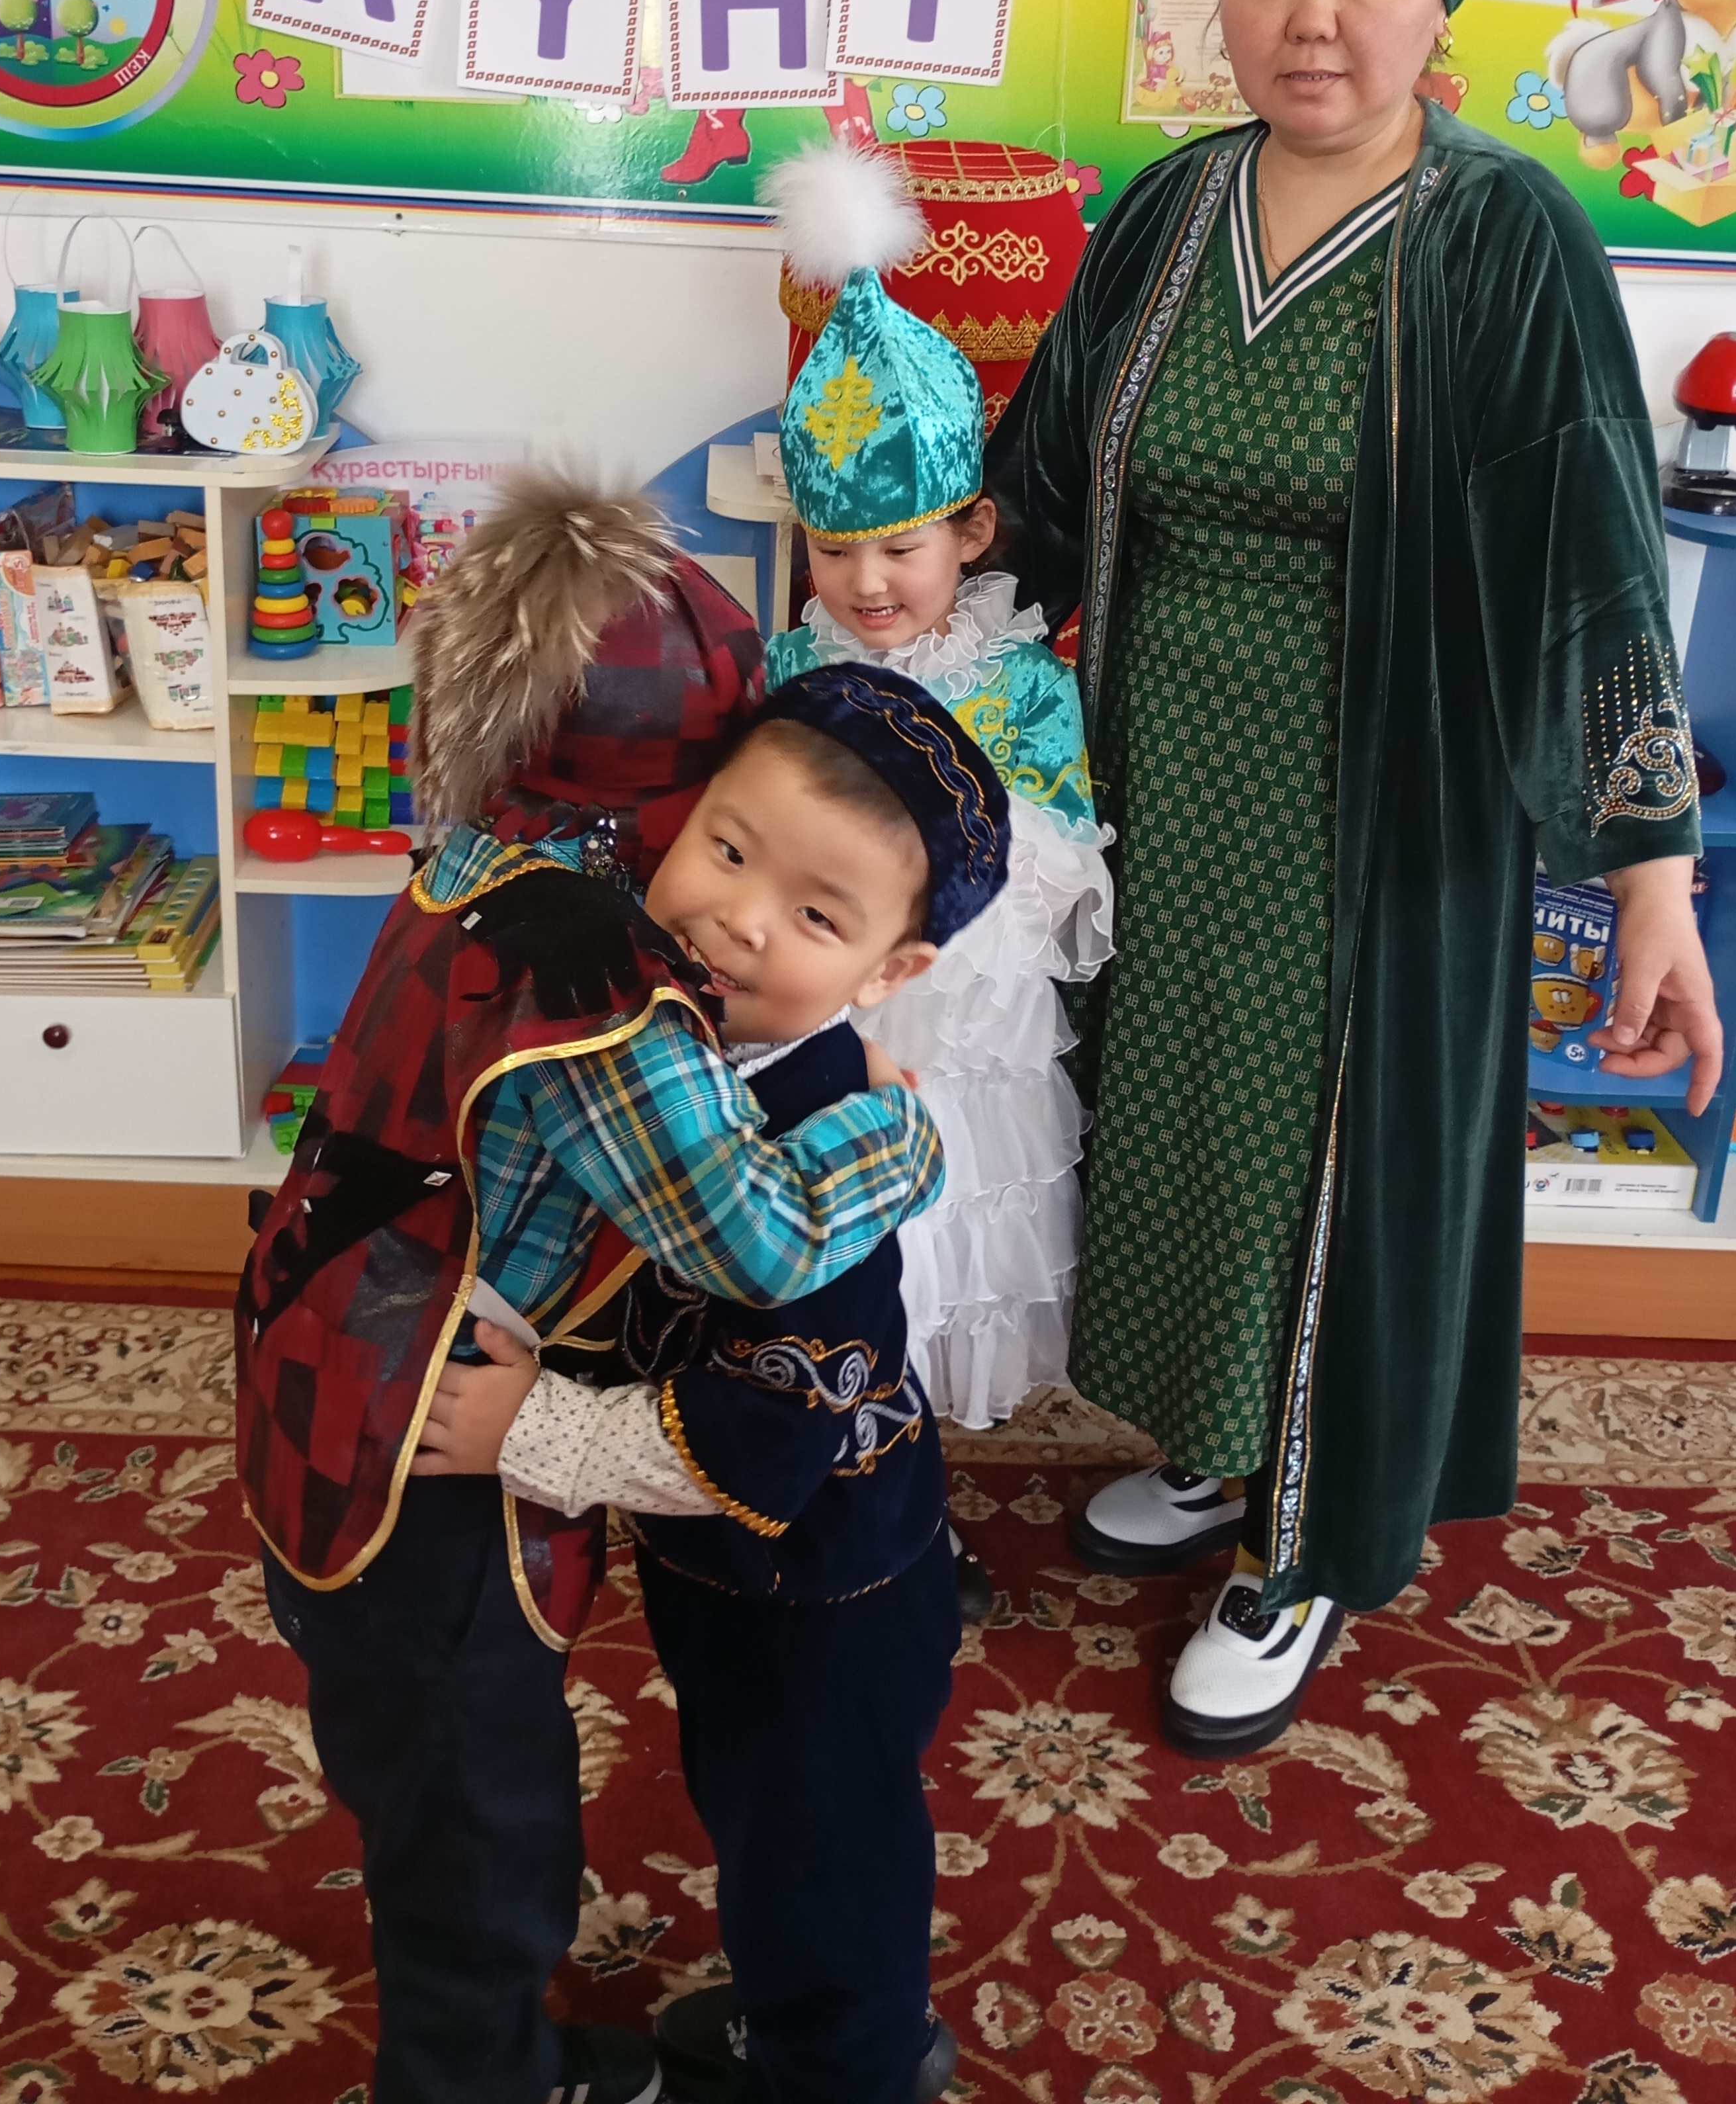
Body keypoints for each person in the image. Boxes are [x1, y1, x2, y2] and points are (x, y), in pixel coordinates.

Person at [986, 0, 1718, 1761]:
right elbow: (1042, 481)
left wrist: (1652, 877)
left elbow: (1590, 566)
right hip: (1157, 781)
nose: (1313, 14)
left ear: (1438, 7)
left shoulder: (1500, 233)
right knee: (1179, 1133)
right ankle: (1226, 1444)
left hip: (1380, 817)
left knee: (1332, 1168)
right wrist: (899, 570)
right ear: (1219, 1)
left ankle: (1307, 1544)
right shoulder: (1168, 210)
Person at [238, 479, 945, 2104]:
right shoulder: (598, 975)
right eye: (722, 819)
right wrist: (898, 1133)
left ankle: (499, 2050)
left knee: (436, 1791)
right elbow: (757, 1244)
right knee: (477, 1829)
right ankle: (477, 2077)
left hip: (327, 1359)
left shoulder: (472, 855)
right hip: (424, 1457)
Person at [420, 664, 1012, 2104]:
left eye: (818, 917)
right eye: (730, 851)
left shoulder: (813, 1162)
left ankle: (844, 2066)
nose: (742, 919)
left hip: (821, 1591)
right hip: (741, 1577)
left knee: (821, 1847)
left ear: (890, 971)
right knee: (762, 1812)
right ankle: (812, 2014)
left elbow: (763, 1446)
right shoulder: (690, 1051)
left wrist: (529, 1426)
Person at [762, 138, 1113, 1461]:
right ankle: (832, 1419)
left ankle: (907, 1440)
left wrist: (932, 903)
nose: (867, 582)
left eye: (900, 547)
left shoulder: (1018, 680)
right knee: (831, 1227)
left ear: (969, 533)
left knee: (944, 1219)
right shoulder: (793, 665)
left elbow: (1058, 850)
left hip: (958, 1014)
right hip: (819, 1004)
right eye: (835, 547)